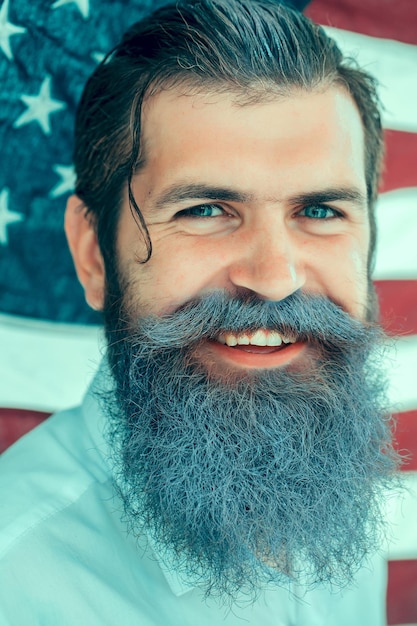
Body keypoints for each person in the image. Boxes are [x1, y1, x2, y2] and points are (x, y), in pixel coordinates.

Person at [0, 0, 400, 624]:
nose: (273, 280)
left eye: (320, 212)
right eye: (205, 210)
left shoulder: (340, 499)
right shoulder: (16, 581)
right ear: (94, 255)